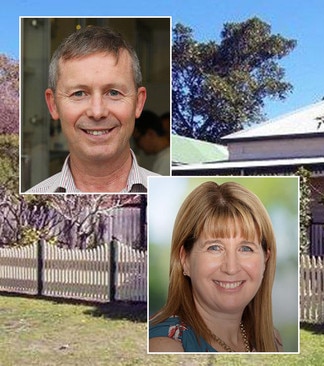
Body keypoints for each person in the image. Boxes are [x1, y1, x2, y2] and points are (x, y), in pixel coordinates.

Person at [149, 181, 284, 352]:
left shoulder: (270, 341)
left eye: (245, 248)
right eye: (214, 248)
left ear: (266, 260)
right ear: (185, 260)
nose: (231, 268)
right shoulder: (165, 347)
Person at [26, 25, 157, 193]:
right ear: (53, 105)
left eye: (113, 92)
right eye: (79, 93)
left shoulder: (171, 199)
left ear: (138, 103)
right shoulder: (27, 203)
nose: (97, 112)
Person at [133, 110, 170, 175]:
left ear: (150, 134)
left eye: (137, 140)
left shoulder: (166, 160)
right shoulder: (165, 157)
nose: (138, 146)